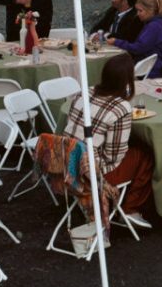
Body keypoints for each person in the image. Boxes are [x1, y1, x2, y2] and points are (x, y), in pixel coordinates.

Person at [61, 51, 156, 229]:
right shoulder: (121, 108)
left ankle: (119, 203)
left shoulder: (83, 92)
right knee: (145, 155)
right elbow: (114, 157)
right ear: (127, 82)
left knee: (129, 148)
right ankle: (130, 209)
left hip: (66, 161)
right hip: (90, 172)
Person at [115, 0, 162, 78]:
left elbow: (138, 48)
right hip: (150, 66)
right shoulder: (154, 24)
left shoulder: (154, 27)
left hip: (150, 70)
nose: (137, 14)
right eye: (137, 11)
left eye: (140, 11)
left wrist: (117, 42)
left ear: (150, 11)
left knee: (116, 70)